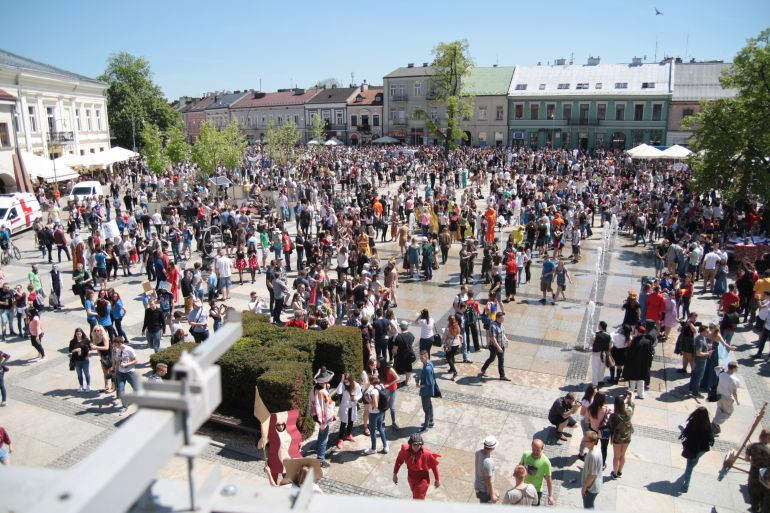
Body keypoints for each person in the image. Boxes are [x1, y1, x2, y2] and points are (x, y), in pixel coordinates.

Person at [393, 433, 441, 500]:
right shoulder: (405, 451)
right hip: (411, 478)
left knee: (417, 499)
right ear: (410, 444)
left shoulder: (426, 454)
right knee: (416, 496)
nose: (417, 447)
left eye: (419, 445)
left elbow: (434, 466)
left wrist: (437, 479)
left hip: (422, 480)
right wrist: (395, 474)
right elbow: (399, 461)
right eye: (414, 444)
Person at [679, 406, 714, 493]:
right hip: (702, 449)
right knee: (694, 461)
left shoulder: (692, 423)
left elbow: (686, 433)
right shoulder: (707, 424)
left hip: (692, 448)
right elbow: (711, 437)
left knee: (689, 467)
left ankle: (685, 486)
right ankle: (689, 470)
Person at [309, 368, 335, 467]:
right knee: (324, 438)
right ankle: (321, 458)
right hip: (323, 417)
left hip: (316, 415)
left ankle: (319, 452)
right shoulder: (323, 392)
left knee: (321, 435)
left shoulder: (313, 388)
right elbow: (328, 405)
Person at [519, 438, 555, 505]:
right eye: (533, 449)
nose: (535, 452)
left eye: (538, 450)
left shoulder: (546, 462)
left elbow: (548, 479)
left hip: (536, 491)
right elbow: (520, 466)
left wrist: (550, 495)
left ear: (542, 449)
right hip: (524, 487)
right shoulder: (525, 455)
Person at [623, 325, 654, 399]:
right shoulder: (648, 341)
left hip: (635, 363)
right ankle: (641, 394)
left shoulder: (635, 341)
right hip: (644, 364)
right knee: (641, 379)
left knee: (633, 380)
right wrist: (649, 364)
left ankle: (631, 394)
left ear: (638, 332)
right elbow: (650, 354)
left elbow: (630, 353)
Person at [112, 337, 139, 416]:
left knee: (137, 389)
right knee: (121, 390)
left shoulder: (129, 349)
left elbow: (136, 360)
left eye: (115, 344)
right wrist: (115, 372)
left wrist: (127, 364)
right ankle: (124, 406)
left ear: (120, 343)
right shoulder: (117, 350)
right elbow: (117, 362)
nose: (114, 345)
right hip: (121, 373)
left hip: (130, 373)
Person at [333, 373, 362, 449]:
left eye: (347, 381)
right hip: (345, 406)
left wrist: (356, 398)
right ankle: (340, 439)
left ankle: (349, 435)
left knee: (351, 421)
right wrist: (341, 382)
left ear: (351, 380)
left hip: (352, 406)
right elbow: (339, 392)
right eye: (345, 381)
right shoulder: (343, 385)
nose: (346, 383)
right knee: (343, 423)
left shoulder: (356, 385)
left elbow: (360, 394)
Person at [479, 311, 510, 381]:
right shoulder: (493, 326)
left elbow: (503, 332)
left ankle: (502, 376)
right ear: (498, 318)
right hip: (494, 346)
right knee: (492, 358)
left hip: (502, 345)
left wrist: (506, 338)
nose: (503, 320)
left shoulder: (501, 323)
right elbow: (493, 338)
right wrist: (498, 347)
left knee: (501, 360)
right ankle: (483, 369)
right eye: (502, 318)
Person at [712, 361, 741, 435]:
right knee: (728, 413)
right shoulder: (735, 380)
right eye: (736, 368)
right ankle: (715, 422)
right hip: (727, 398)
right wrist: (737, 401)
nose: (737, 369)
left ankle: (716, 425)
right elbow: (734, 393)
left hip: (719, 395)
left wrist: (722, 367)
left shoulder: (721, 373)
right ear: (733, 369)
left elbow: (715, 368)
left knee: (720, 409)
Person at [609, 393, 634, 479]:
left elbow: (609, 425)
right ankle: (620, 471)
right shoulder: (628, 412)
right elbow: (631, 405)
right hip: (627, 437)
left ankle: (615, 473)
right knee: (622, 455)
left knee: (616, 456)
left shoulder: (613, 416)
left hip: (617, 438)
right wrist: (630, 397)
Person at [362, 375, 388, 455]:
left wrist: (368, 400)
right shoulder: (382, 386)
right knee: (380, 428)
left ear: (371, 382)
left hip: (374, 413)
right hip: (382, 411)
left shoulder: (373, 392)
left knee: (372, 431)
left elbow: (375, 405)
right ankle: (385, 446)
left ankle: (373, 448)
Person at [746, 429, 770, 512]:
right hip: (765, 476)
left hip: (753, 473)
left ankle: (754, 508)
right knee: (764, 498)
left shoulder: (751, 446)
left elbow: (747, 459)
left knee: (753, 496)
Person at [580, 431, 603, 509]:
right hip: (594, 485)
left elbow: (592, 475)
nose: (583, 442)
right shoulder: (596, 448)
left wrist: (585, 487)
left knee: (588, 506)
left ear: (592, 442)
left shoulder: (593, 456)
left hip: (591, 487)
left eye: (585, 441)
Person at [474, 435, 499, 503]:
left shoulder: (478, 452)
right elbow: (488, 481)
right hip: (485, 491)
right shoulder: (488, 462)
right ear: (493, 448)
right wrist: (492, 495)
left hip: (478, 486)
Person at [392, 320, 416, 386]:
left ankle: (394, 382)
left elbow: (394, 349)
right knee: (408, 368)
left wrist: (393, 354)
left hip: (400, 356)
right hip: (409, 355)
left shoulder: (398, 337)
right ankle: (406, 381)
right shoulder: (411, 335)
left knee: (397, 369)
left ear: (400, 327)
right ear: (407, 327)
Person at [69, 328, 92, 392]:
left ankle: (88, 385)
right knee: (79, 374)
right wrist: (75, 350)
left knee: (86, 373)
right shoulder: (73, 341)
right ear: (75, 334)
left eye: (80, 334)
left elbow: (90, 348)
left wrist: (88, 354)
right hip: (76, 360)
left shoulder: (86, 340)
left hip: (85, 360)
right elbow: (70, 350)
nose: (78, 335)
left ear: (82, 334)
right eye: (77, 334)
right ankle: (81, 386)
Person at [418, 351, 435, 432]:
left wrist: (419, 386)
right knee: (429, 406)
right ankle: (431, 421)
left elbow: (429, 383)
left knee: (426, 409)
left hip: (426, 392)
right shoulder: (429, 363)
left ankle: (426, 426)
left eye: (422, 358)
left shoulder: (427, 368)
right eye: (420, 357)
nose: (421, 359)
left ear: (426, 357)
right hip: (428, 391)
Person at [591, 321, 611, 387]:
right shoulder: (609, 335)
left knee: (595, 368)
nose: (598, 326)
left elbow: (592, 343)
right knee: (602, 368)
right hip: (604, 354)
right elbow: (610, 345)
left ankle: (595, 383)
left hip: (596, 353)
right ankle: (600, 381)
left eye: (599, 325)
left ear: (601, 326)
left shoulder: (596, 335)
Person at [442, 315, 462, 381]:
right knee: (452, 356)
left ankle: (455, 371)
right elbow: (459, 333)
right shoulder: (457, 326)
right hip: (457, 343)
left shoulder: (448, 328)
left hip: (450, 344)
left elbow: (444, 337)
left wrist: (443, 342)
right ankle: (451, 369)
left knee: (448, 358)